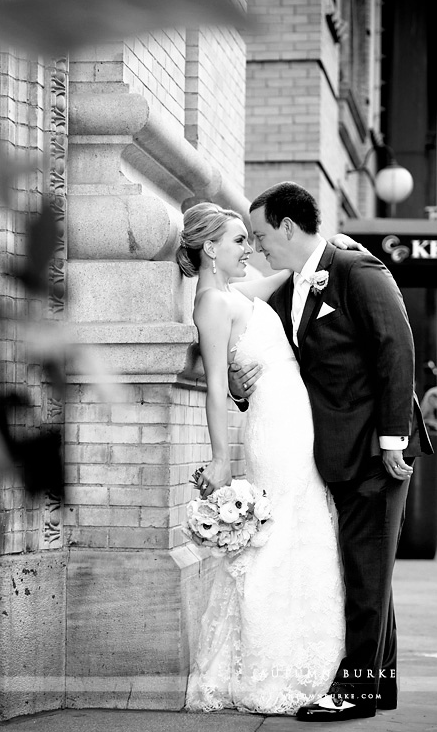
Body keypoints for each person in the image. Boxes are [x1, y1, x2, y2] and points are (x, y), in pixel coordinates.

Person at [229, 182, 433, 722]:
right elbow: (272, 354)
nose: (257, 245)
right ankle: (376, 687)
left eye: (261, 233)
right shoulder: (293, 287)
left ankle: (355, 691)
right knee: (371, 576)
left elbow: (397, 347)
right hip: (334, 450)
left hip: (373, 448)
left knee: (366, 577)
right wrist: (241, 380)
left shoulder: (356, 271)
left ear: (289, 227)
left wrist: (393, 439)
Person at [176, 202, 363, 715]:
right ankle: (270, 666)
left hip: (295, 417)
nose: (249, 248)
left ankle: (310, 658)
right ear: (210, 248)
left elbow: (285, 275)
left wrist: (333, 248)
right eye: (239, 240)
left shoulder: (234, 292)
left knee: (304, 529)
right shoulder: (211, 304)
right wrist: (219, 459)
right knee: (279, 536)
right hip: (275, 428)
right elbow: (217, 388)